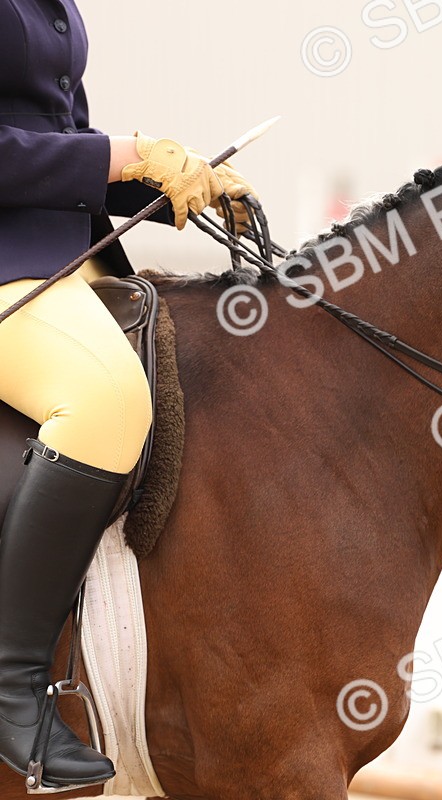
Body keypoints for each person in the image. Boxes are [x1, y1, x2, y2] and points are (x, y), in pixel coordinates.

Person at [0, 0, 257, 788]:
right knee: (106, 399)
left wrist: (161, 184)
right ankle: (11, 689)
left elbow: (48, 139)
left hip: (63, 257)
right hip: (9, 270)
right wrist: (126, 154)